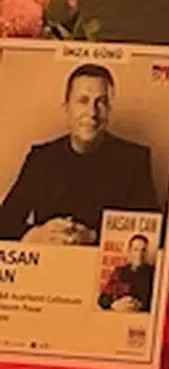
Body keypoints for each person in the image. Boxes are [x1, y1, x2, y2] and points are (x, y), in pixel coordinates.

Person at [0, 66, 159, 244]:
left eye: (101, 102)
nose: (92, 113)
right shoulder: (40, 158)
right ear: (67, 108)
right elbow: (4, 224)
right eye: (83, 101)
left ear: (109, 109)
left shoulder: (134, 160)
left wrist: (93, 237)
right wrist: (36, 235)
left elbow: (152, 235)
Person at [98, 232, 156, 312]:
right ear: (129, 251)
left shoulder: (153, 274)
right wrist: (113, 305)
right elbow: (102, 299)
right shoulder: (119, 271)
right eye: (136, 250)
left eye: (143, 250)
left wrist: (139, 305)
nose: (139, 254)